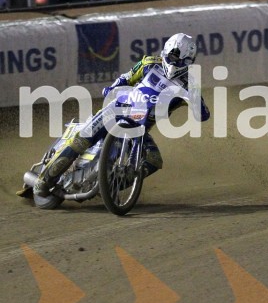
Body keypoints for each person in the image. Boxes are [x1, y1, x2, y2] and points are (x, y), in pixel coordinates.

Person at [30, 33, 210, 198]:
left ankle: (111, 185)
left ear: (190, 62)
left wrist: (196, 101)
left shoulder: (189, 83)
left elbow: (203, 114)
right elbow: (126, 77)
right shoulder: (149, 63)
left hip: (140, 129)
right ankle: (45, 179)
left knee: (154, 160)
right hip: (117, 110)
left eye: (183, 61)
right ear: (166, 52)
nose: (176, 64)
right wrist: (113, 87)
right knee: (83, 139)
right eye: (173, 57)